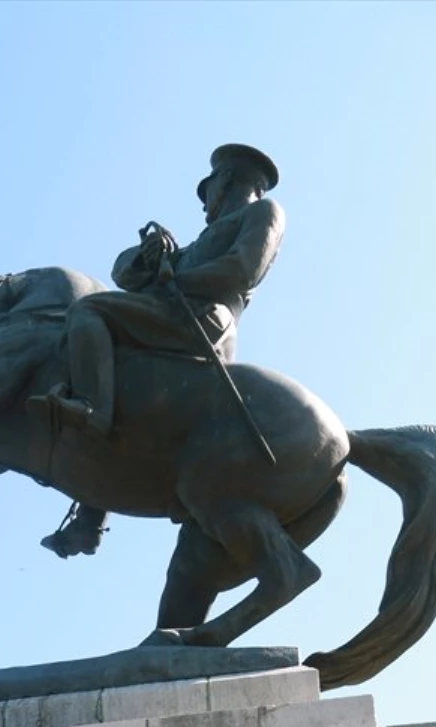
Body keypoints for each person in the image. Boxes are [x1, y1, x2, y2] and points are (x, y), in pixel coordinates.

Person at [36, 143, 283, 557]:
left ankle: (94, 414)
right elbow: (126, 275)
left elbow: (243, 270)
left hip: (205, 319)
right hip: (175, 309)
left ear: (224, 182)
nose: (205, 205)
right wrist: (150, 256)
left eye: (208, 193)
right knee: (114, 364)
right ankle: (90, 520)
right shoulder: (198, 242)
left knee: (88, 311)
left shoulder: (264, 213)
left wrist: (176, 275)